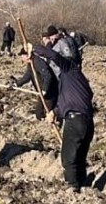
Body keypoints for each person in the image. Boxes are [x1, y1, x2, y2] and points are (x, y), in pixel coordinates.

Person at [26, 40, 94, 192]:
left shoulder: (69, 69)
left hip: (75, 120)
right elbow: (70, 101)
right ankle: (83, 187)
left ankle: (73, 190)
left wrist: (34, 48)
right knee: (79, 159)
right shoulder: (76, 82)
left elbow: (54, 56)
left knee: (68, 159)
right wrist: (55, 113)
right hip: (88, 123)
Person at [10, 47, 58, 120]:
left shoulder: (38, 62)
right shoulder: (31, 65)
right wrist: (16, 84)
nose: (22, 58)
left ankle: (52, 126)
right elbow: (27, 77)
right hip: (42, 93)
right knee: (39, 113)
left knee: (49, 113)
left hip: (50, 92)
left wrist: (44, 90)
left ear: (27, 56)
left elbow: (48, 76)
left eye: (22, 56)